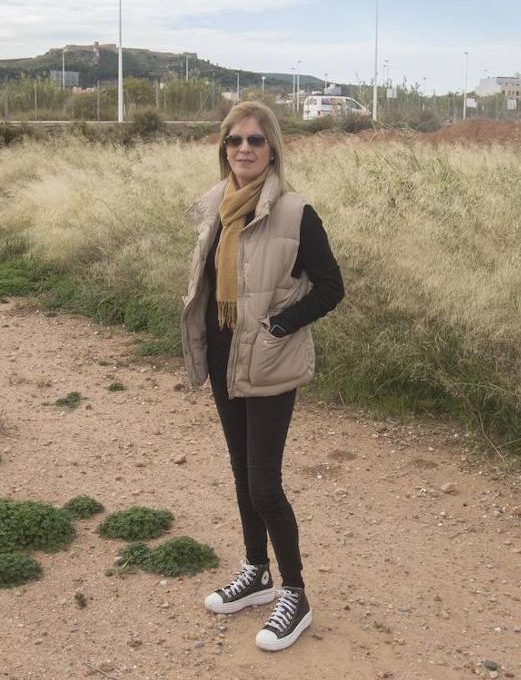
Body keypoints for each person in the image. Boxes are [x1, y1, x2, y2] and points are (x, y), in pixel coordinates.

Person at [180, 100, 344, 651]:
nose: (243, 149)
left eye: (254, 140)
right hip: (228, 357)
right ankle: (257, 571)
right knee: (239, 472)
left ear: (272, 147)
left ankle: (294, 595)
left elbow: (330, 287)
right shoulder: (216, 207)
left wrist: (279, 325)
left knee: (264, 484)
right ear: (223, 150)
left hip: (270, 360)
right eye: (233, 141)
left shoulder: (296, 212)